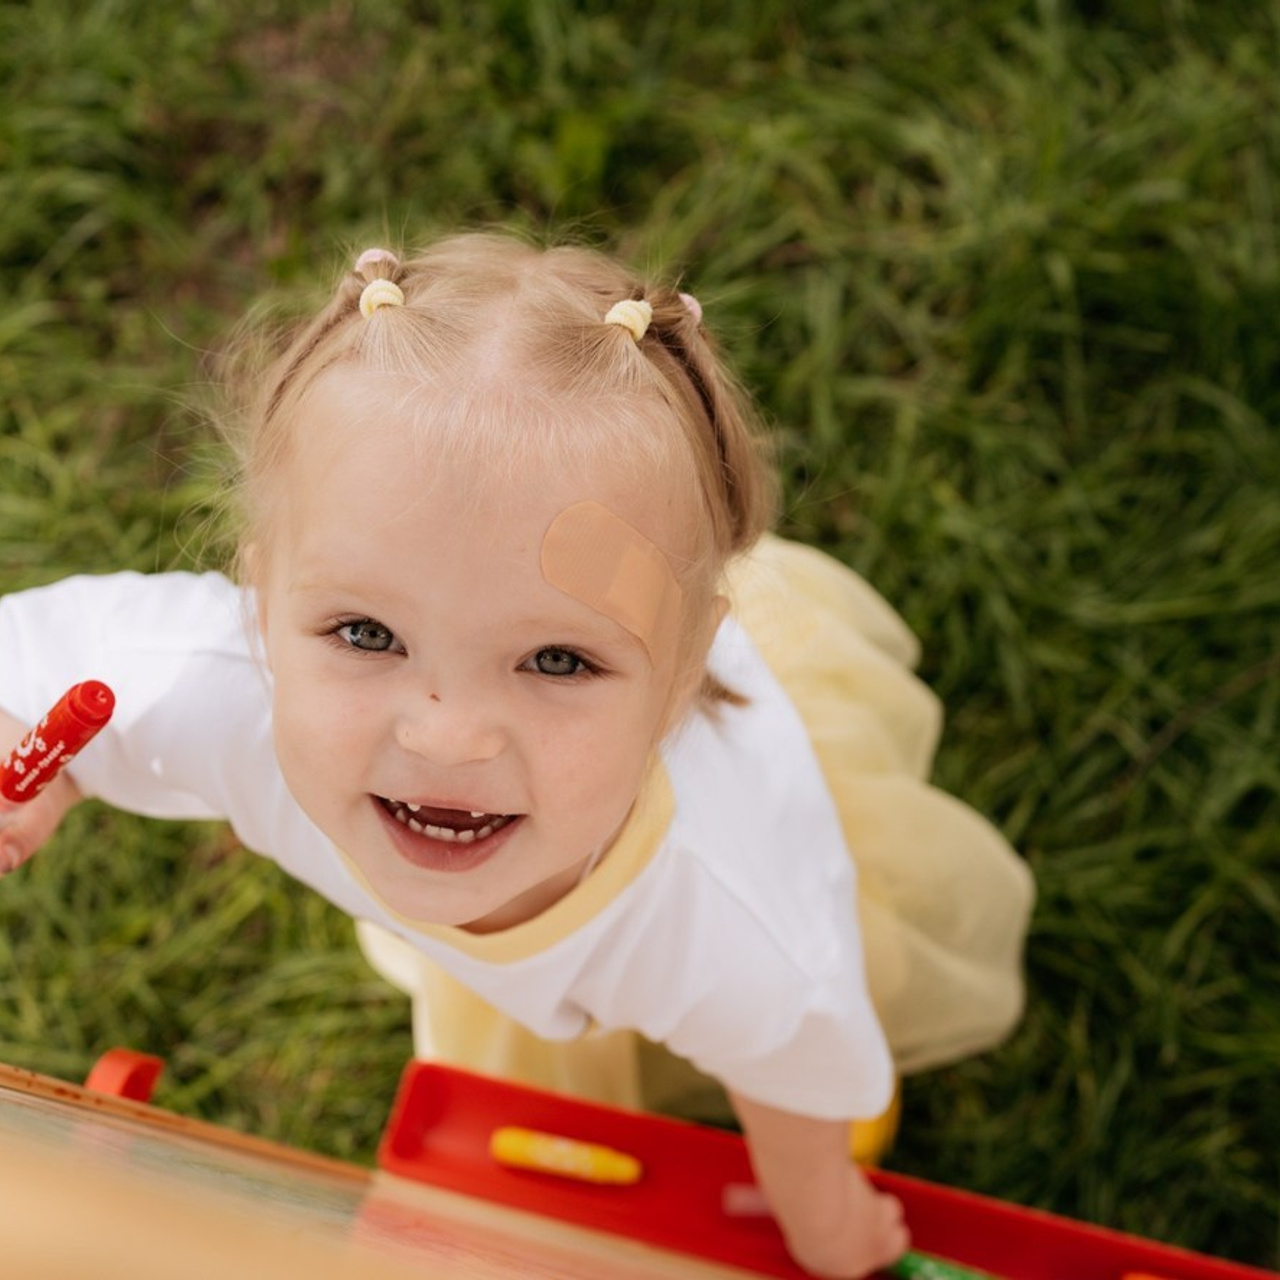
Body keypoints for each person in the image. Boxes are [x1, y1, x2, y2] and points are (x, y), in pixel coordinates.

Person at [0, 232, 1033, 1279]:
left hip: (697, 901)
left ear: (682, 670)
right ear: (263, 608)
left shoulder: (728, 918)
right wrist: (33, 755)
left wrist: (821, 1208)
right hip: (560, 914)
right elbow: (33, 660)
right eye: (366, 634)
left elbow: (799, 1052)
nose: (445, 735)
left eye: (553, 658)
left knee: (801, 1037)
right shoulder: (202, 683)